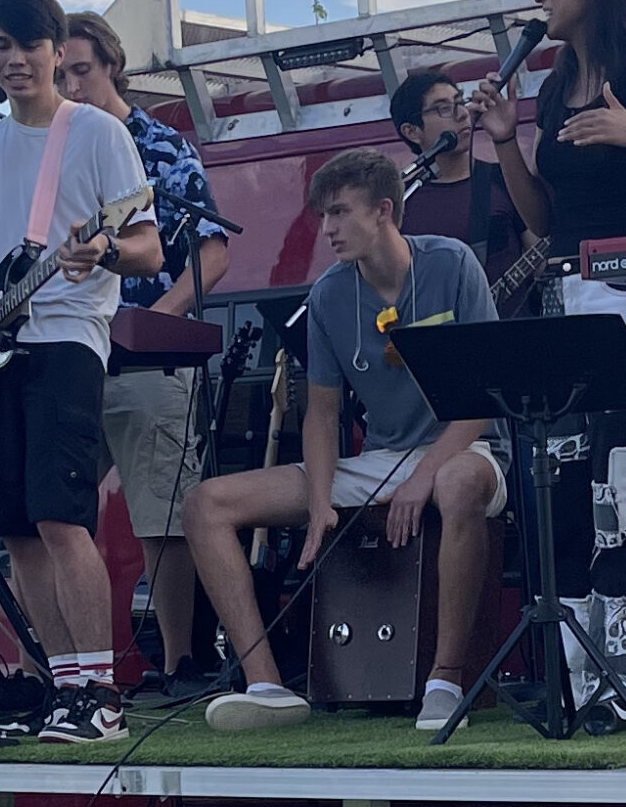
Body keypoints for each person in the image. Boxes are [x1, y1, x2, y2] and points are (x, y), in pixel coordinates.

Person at [184, 148, 507, 738]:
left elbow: (482, 402)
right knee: (206, 503)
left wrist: (423, 476)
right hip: (381, 460)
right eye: (322, 215)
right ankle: (267, 686)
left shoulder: (452, 263)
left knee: (458, 483)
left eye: (338, 213)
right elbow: (321, 412)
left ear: (384, 211)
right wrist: (318, 501)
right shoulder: (330, 293)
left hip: (465, 449)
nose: (326, 229)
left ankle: (447, 680)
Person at [472, 0, 626, 730]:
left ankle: (625, 683)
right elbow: (544, 223)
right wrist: (505, 146)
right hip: (568, 300)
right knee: (566, 496)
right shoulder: (552, 85)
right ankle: (576, 679)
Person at [0, 0, 163, 742]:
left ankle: (99, 691)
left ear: (58, 53)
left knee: (62, 517)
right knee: (15, 528)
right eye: (1, 45)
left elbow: (148, 248)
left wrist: (101, 249)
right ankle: (58, 685)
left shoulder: (94, 133)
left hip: (66, 340)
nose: (14, 60)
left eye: (29, 45)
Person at [55, 10, 234, 698]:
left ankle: (180, 661)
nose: (72, 84)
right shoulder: (55, 153)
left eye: (82, 69)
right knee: (52, 506)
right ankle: (68, 669)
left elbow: (213, 251)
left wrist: (159, 318)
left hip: (143, 353)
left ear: (112, 65)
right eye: (61, 73)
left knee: (162, 507)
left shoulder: (160, 146)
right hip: (70, 352)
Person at [389, 70, 521, 274]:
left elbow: (540, 251)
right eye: (443, 108)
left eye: (460, 102)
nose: (462, 114)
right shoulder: (400, 200)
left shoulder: (503, 179)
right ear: (412, 131)